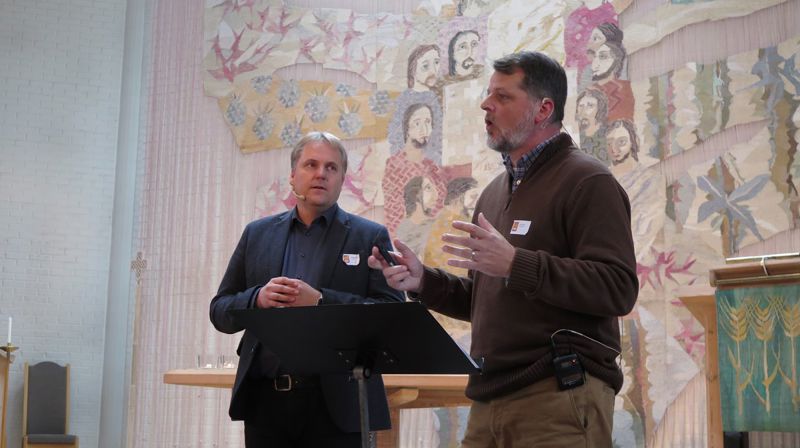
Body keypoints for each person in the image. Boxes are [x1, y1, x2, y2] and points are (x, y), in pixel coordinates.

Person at [369, 51, 638, 447]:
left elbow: (617, 287)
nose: (485, 105)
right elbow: (485, 299)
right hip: (489, 398)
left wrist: (516, 262)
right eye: (487, 94)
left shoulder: (588, 181)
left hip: (558, 396)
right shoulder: (495, 193)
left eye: (503, 97)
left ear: (544, 108)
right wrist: (423, 281)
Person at [210, 131, 404, 447]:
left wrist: (321, 301)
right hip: (266, 404)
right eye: (310, 164)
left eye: (331, 168)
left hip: (337, 406)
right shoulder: (257, 234)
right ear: (292, 175)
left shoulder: (369, 236)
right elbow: (220, 311)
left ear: (343, 180)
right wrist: (256, 299)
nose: (320, 174)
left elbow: (391, 314)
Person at [575, 88, 609, 164]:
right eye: (581, 106)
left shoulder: (609, 134)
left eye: (590, 106)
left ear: (600, 108)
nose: (583, 111)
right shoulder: (575, 137)